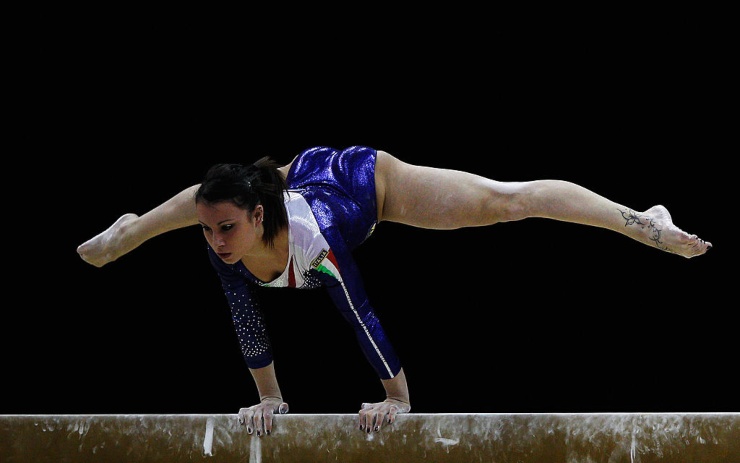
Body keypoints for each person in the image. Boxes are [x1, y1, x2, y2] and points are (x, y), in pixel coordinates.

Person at [76, 146, 711, 436]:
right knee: (216, 192)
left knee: (506, 203)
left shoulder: (315, 242)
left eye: (226, 230)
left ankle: (642, 221)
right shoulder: (226, 236)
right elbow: (244, 316)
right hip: (291, 177)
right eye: (211, 230)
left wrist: (397, 399)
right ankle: (129, 230)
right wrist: (269, 399)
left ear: (262, 221)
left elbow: (359, 313)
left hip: (360, 183)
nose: (215, 240)